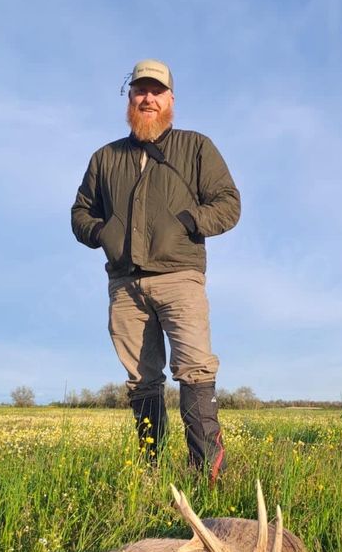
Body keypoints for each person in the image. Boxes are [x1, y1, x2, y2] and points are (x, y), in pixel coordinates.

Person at [71, 59, 240, 482]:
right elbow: (80, 213)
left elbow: (228, 203)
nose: (148, 98)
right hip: (125, 285)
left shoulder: (196, 146)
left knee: (195, 369)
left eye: (156, 90)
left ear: (170, 99)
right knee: (142, 380)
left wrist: (189, 222)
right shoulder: (105, 157)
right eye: (140, 91)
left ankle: (207, 475)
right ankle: (152, 471)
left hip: (179, 277)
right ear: (129, 98)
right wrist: (105, 234)